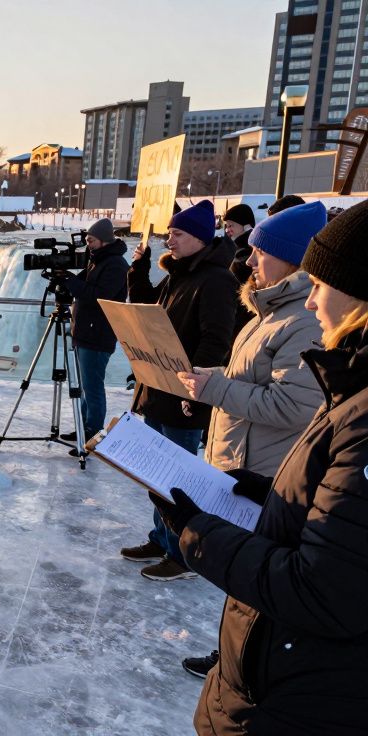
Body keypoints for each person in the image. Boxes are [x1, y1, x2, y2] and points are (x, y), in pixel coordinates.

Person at [150, 199, 368, 733]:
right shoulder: (335, 366)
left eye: (323, 283)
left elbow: (321, 589)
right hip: (280, 676)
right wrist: (270, 493)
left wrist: (199, 534)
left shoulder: (347, 388)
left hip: (297, 696)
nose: (315, 301)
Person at [172, 201, 327, 680]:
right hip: (242, 459)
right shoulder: (270, 310)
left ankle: (242, 663)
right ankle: (232, 655)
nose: (250, 260)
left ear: (292, 259)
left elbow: (293, 406)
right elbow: (251, 378)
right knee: (241, 576)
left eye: (261, 252)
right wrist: (209, 380)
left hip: (265, 470)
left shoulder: (302, 320)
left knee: (254, 577)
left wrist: (216, 389)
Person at [120, 200, 239, 581]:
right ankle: (162, 538)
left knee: (179, 478)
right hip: (159, 386)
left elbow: (216, 338)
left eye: (178, 233)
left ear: (200, 239)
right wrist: (138, 267)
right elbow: (145, 309)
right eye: (170, 232)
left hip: (185, 394)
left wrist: (195, 388)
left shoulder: (217, 280)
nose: (169, 238)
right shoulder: (179, 275)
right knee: (157, 473)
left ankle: (182, 553)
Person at [59, 217, 128, 451]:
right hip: (86, 332)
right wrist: (67, 278)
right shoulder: (97, 260)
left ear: (104, 240)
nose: (88, 244)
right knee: (87, 386)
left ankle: (94, 434)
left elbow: (100, 296)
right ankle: (83, 426)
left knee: (93, 387)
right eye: (87, 240)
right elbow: (86, 286)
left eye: (91, 240)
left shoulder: (116, 264)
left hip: (98, 335)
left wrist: (72, 283)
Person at [222, 204, 256, 343]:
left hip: (242, 315)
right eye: (226, 226)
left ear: (246, 225)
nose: (227, 229)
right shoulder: (236, 248)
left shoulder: (246, 250)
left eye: (231, 225)